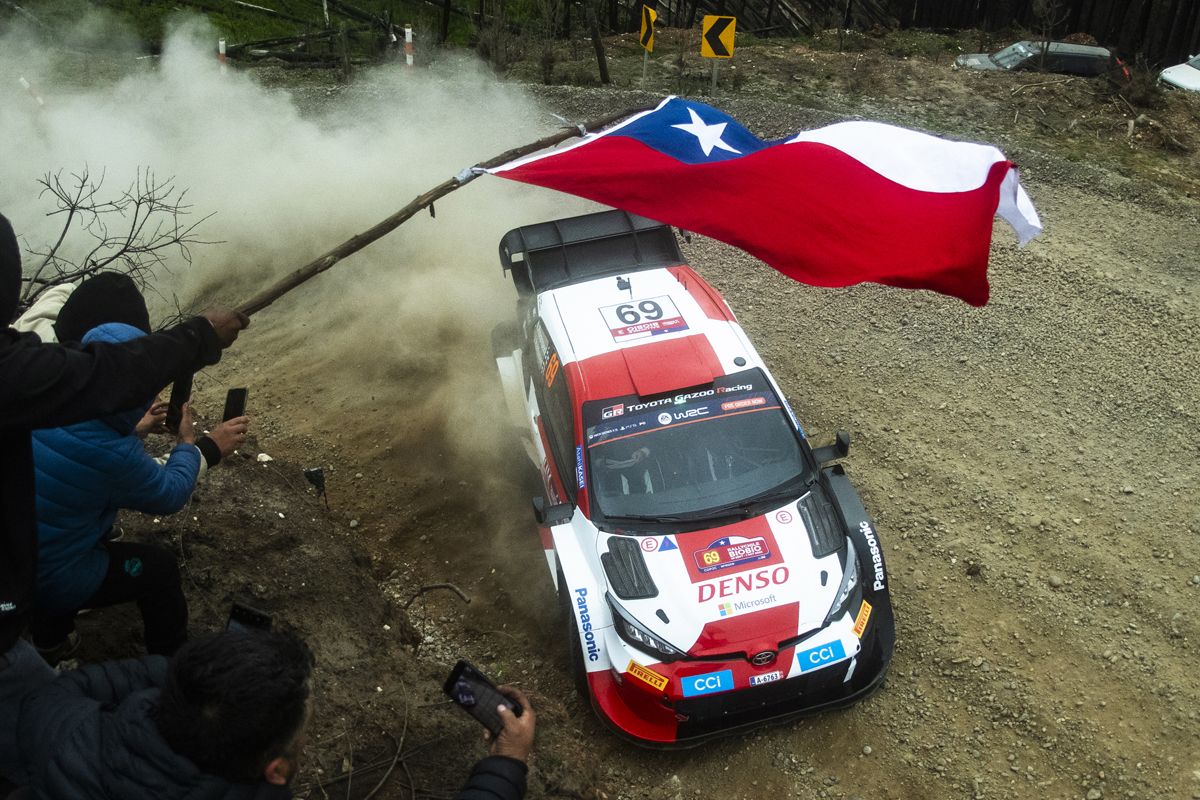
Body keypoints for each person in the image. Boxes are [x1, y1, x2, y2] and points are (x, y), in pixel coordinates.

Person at [0, 210, 247, 780]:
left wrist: (130, 427)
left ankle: (55, 639)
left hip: (13, 559)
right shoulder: (114, 457)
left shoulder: (39, 398)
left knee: (81, 524)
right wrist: (200, 444)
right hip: (45, 577)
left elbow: (81, 434)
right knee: (157, 567)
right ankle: (171, 666)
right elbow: (165, 494)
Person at [12, 630, 536, 800]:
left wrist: (210, 675)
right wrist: (507, 760)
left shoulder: (58, 727)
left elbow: (65, 690)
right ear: (278, 770)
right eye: (304, 725)